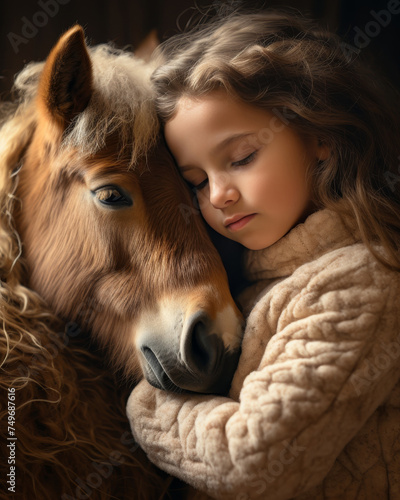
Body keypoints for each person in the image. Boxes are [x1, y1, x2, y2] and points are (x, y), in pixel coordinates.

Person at [127, 8, 400, 500]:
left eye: (242, 158)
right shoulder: (250, 285)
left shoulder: (360, 279)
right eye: (196, 181)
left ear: (319, 136)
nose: (218, 195)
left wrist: (146, 403)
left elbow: (255, 462)